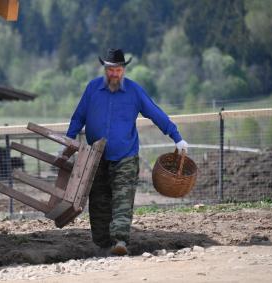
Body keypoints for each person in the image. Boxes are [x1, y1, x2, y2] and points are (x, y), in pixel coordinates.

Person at [65, 48, 189, 256]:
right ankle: (103, 244)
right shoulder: (92, 89)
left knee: (123, 200)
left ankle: (120, 240)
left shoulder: (134, 91)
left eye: (118, 69)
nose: (114, 73)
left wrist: (176, 136)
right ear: (105, 68)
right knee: (98, 202)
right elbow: (79, 117)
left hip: (125, 156)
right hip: (96, 158)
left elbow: (155, 112)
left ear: (123, 69)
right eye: (110, 69)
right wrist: (68, 140)